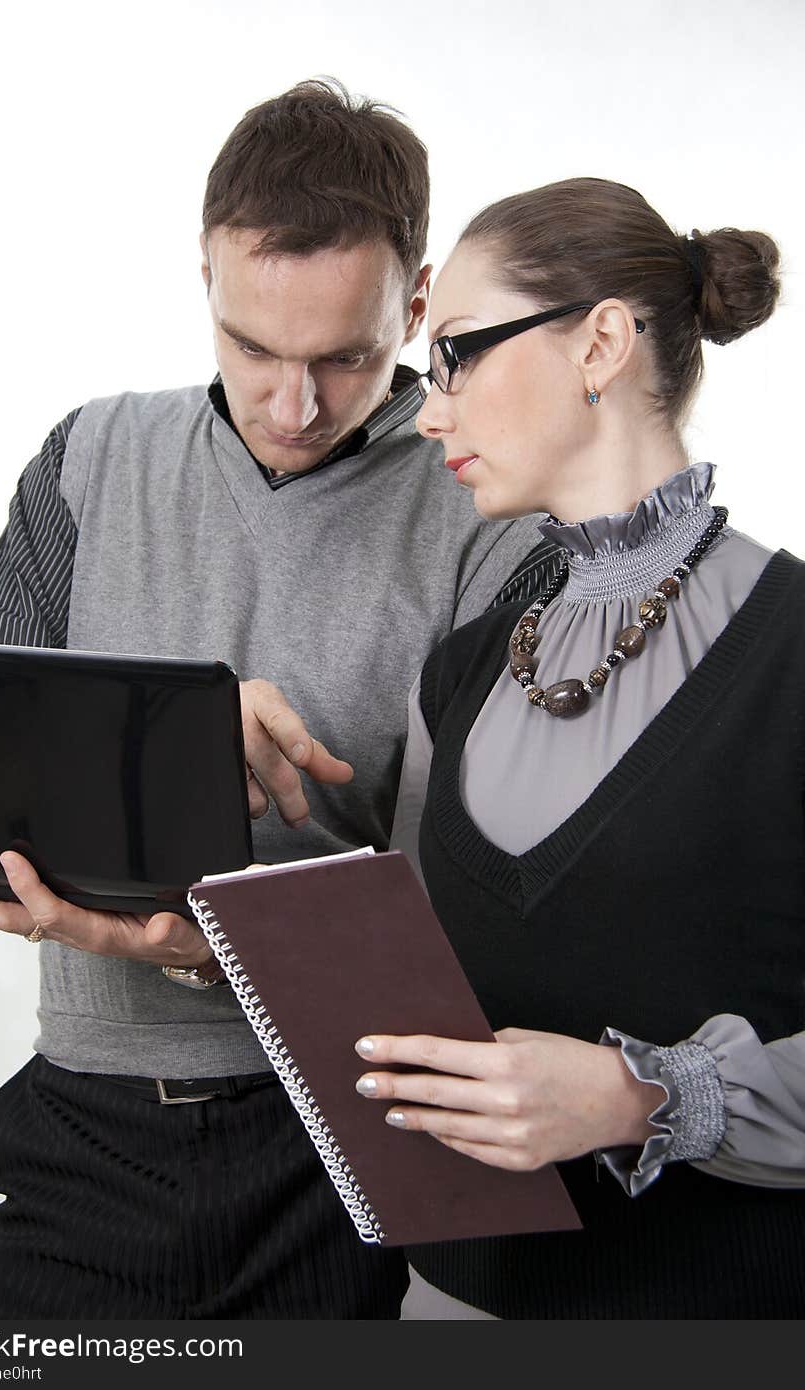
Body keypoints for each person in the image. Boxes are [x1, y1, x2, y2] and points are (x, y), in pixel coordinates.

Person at [0, 81, 547, 1319]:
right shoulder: (91, 454)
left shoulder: (490, 507)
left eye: (346, 358)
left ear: (416, 305)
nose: (292, 405)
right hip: (85, 1127)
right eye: (251, 348)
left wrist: (218, 958)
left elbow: (486, 918)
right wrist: (166, 747)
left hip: (343, 1135)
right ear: (204, 274)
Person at [354, 177, 805, 1318]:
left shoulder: (794, 649)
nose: (427, 410)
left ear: (600, 342)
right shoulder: (459, 669)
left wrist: (637, 1095)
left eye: (455, 353)